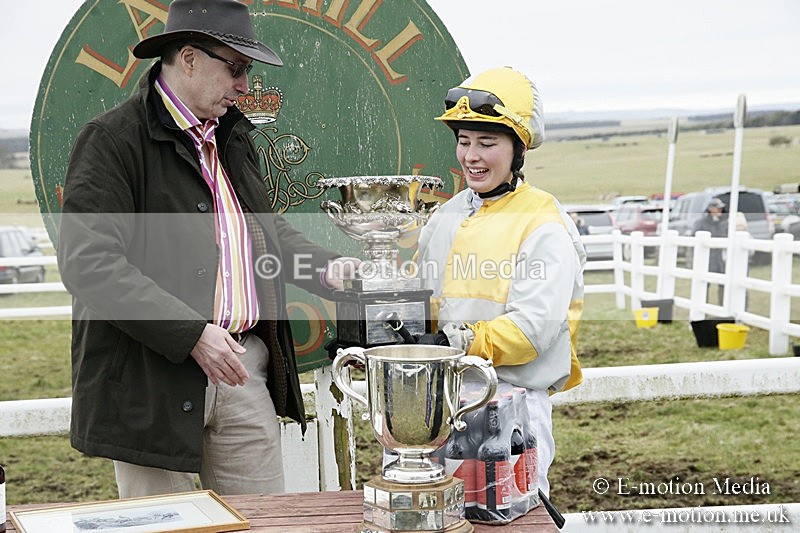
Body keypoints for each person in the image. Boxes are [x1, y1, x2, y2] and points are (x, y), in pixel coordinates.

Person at [57, 0, 357, 499]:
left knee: (265, 523)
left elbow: (263, 236)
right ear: (190, 59)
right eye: (235, 68)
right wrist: (192, 334)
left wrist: (329, 269)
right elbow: (89, 264)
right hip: (149, 381)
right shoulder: (111, 140)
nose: (244, 86)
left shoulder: (234, 137)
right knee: (165, 527)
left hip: (241, 369)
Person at [416, 66, 586, 497]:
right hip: (441, 400)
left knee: (506, 522)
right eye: (464, 141)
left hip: (512, 408)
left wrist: (455, 341)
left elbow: (532, 331)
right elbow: (425, 300)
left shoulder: (544, 223)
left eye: (487, 143)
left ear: (518, 149)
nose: (471, 156)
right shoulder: (446, 215)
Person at [692, 198, 728, 305]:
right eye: (718, 208)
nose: (720, 210)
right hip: (706, 259)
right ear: (711, 209)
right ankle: (702, 307)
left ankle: (723, 307)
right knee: (704, 284)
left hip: (721, 259)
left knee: (723, 284)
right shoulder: (701, 223)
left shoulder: (724, 223)